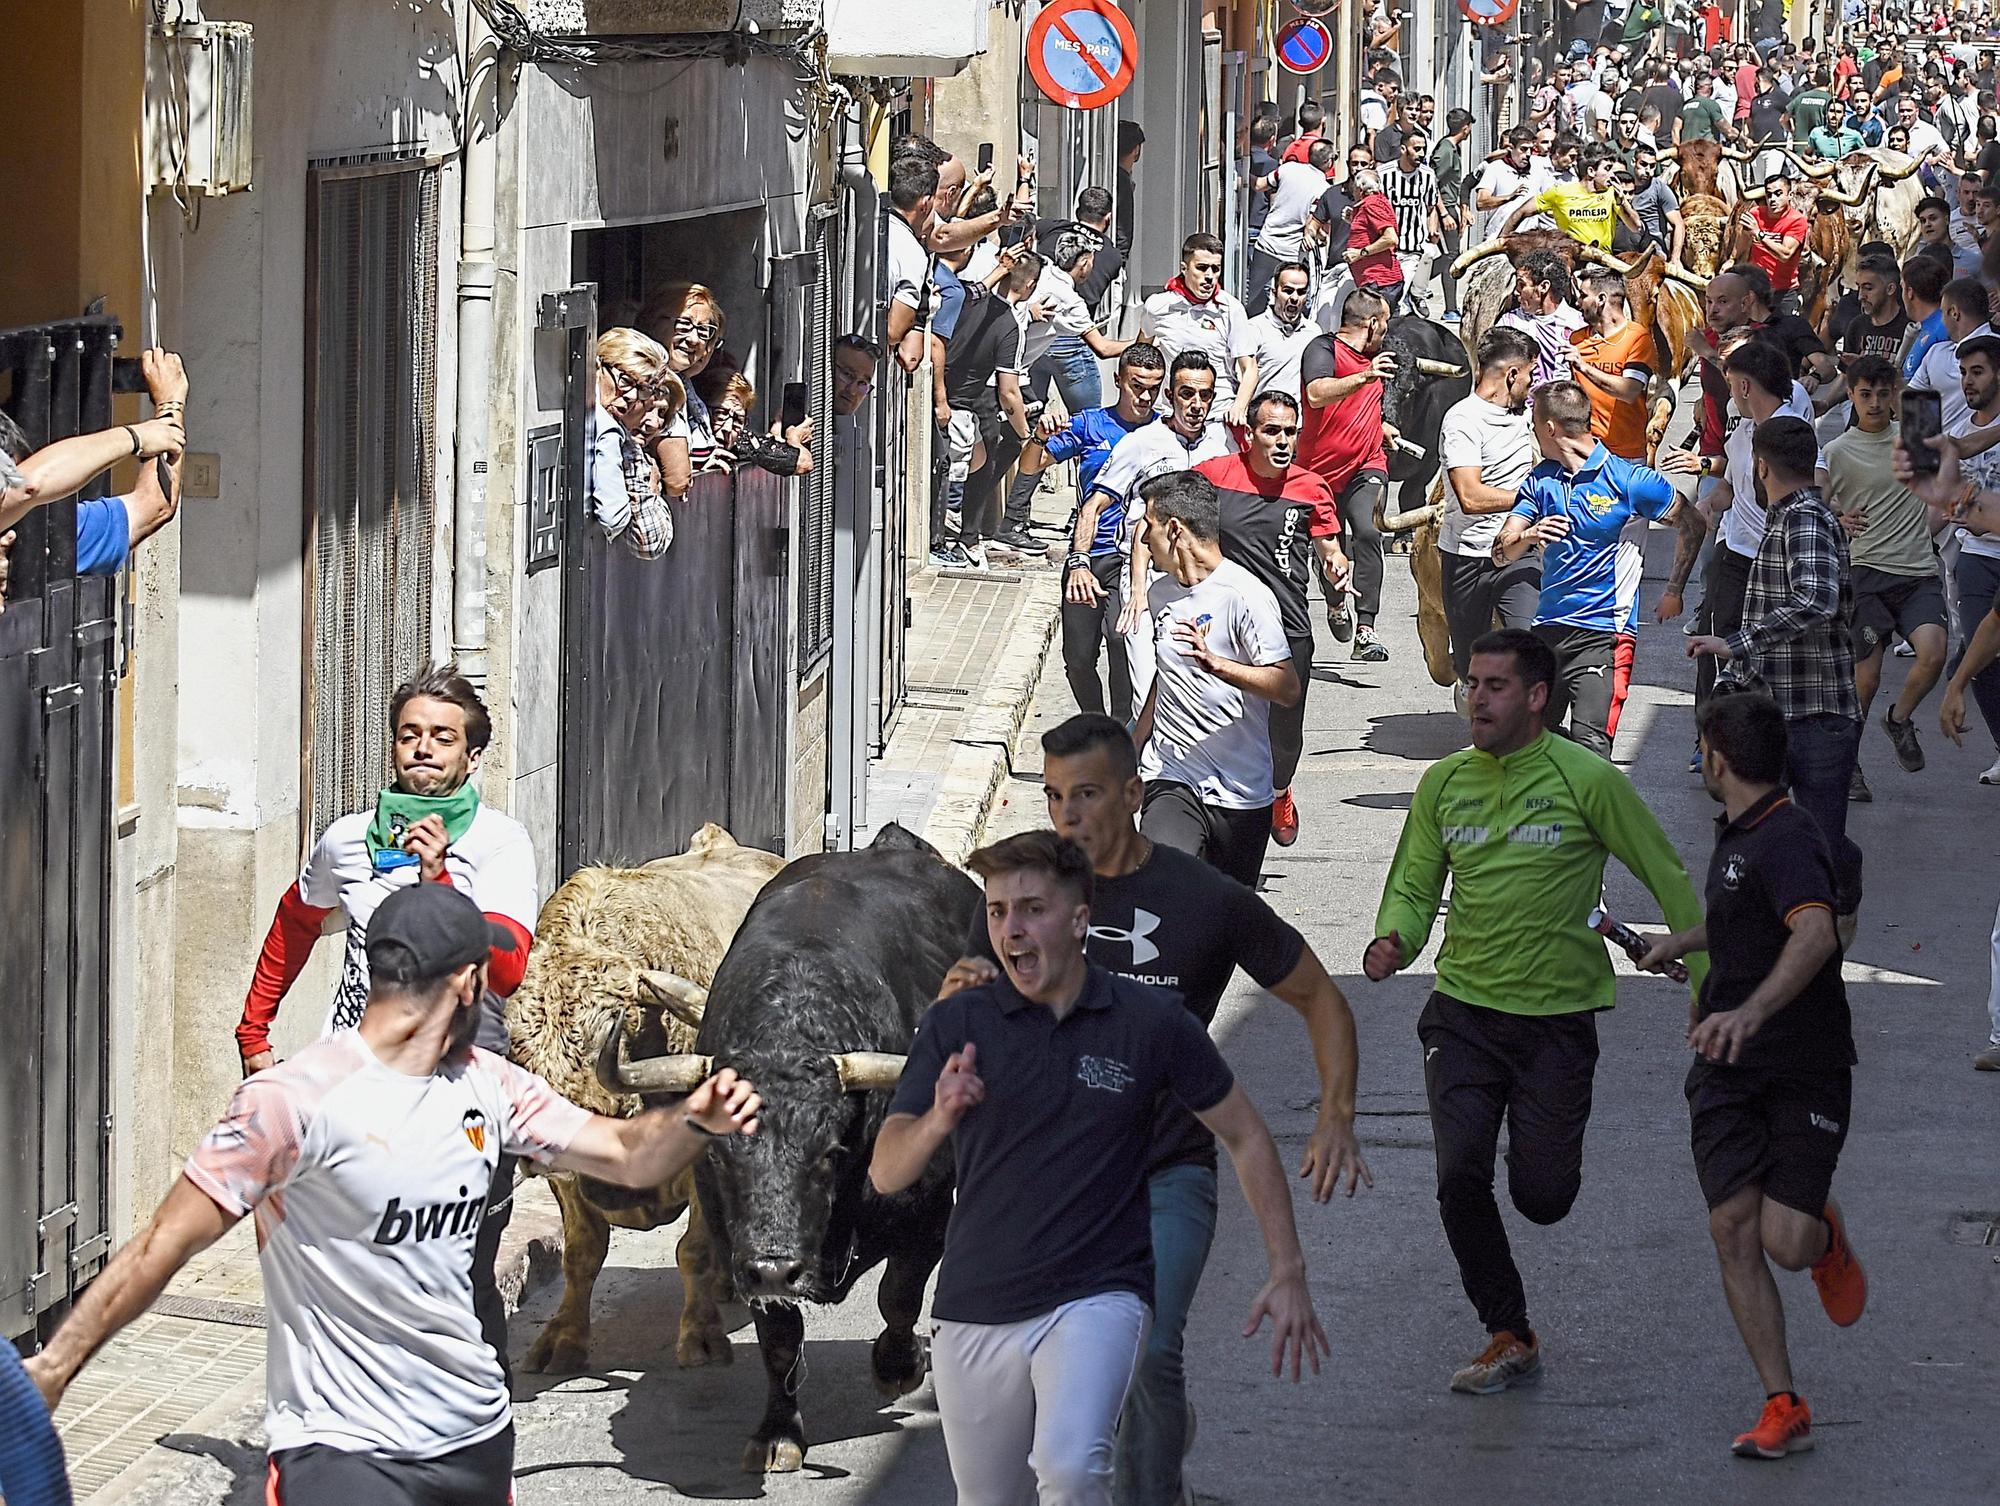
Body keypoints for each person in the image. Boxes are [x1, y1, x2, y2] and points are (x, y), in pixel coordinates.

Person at [27, 881, 763, 1505]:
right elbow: (164, 1244)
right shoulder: (291, 1101)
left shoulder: (489, 1085)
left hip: (472, 1436)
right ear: (467, 982)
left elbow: (627, 1155)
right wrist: (53, 1370)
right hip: (342, 1450)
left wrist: (697, 1118)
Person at [941, 714, 1370, 1505]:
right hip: (1045, 1179)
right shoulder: (1020, 901)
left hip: (1162, 1176)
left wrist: (1336, 1113)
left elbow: (1321, 999)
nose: (1067, 818)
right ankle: (1150, 1440)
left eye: (1088, 796)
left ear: (1135, 795)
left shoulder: (1203, 899)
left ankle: (1154, 1484)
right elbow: (967, 1011)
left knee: (1142, 1352)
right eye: (1054, 797)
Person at [872, 830, 1328, 1506]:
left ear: (1081, 920)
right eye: (997, 912)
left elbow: (1247, 1136)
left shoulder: (1149, 1021)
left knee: (1073, 1470)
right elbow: (886, 1171)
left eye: (1031, 909)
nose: (1011, 930)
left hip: (1098, 1294)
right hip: (976, 1304)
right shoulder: (956, 1022)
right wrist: (939, 1117)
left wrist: (1287, 1271)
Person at [1363, 628, 1708, 1395]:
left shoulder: (1588, 780)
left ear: (1538, 697)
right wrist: (1395, 939)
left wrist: (1704, 987)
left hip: (1557, 1020)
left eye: (1493, 687)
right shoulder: (1444, 784)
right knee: (1458, 1177)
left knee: (1543, 1198)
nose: (1475, 700)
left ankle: (1539, 1166)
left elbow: (1668, 875)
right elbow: (1415, 887)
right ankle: (1508, 1331)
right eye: (1471, 686)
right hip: (1461, 1014)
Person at [233, 664, 537, 1368]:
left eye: (442, 737)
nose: (423, 748)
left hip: (459, 1087)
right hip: (353, 1087)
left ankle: (473, 1444)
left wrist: (437, 881)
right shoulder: (347, 840)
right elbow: (295, 921)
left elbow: (508, 972)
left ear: (472, 756)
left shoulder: (497, 843)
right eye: (410, 735)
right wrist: (254, 1031)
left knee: (456, 1283)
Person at [1637, 689, 1866, 1461]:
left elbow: (1814, 932)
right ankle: (1784, 1402)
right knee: (1732, 1227)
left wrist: (1752, 1011)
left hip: (1803, 1067)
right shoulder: (1737, 834)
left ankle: (1824, 1234)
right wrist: (1684, 943)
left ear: (1716, 758)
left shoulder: (1789, 836)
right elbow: (1748, 919)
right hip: (1726, 1067)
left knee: (1787, 1243)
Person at [1688, 417, 1865, 936]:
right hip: (1773, 711)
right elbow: (1770, 609)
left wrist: (1734, 645)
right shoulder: (1786, 517)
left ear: (1761, 467)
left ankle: (1817, 934)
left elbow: (1816, 599)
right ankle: (1758, 931)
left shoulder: (1804, 520)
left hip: (1818, 718)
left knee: (1820, 844)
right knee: (1748, 827)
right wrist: (1728, 687)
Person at [1494, 382, 1701, 757]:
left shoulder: (1629, 480)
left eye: (1534, 422)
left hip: (1605, 635)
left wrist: (1674, 589)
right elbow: (1500, 553)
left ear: (1551, 427)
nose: (1532, 430)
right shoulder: (1541, 480)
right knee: (1526, 746)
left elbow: (1692, 523)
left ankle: (1589, 815)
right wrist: (1529, 533)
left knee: (1591, 750)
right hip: (1548, 632)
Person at [1130, 469, 1299, 889]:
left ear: (1174, 530)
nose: (1142, 542)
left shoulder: (1246, 596)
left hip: (1241, 791)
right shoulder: (1160, 595)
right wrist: (1131, 746)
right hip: (1172, 775)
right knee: (1160, 887)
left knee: (1220, 934)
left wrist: (1219, 666)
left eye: (1147, 527)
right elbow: (1166, 675)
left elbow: (1287, 687)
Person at [1197, 393, 1352, 848]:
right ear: (1249, 433)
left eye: (1290, 432)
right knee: (1219, 724)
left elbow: (1330, 548)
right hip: (1224, 626)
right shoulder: (1214, 476)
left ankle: (1280, 791)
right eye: (1272, 431)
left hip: (1287, 627)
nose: (1283, 441)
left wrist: (1337, 567)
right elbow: (1172, 524)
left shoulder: (1310, 486)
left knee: (1283, 738)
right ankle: (1215, 814)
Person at [1825, 355, 1950, 798]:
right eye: (1865, 395)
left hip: (1918, 571)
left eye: (1883, 394)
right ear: (1851, 396)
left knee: (1934, 653)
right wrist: (1837, 519)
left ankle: (1898, 719)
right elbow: (1814, 503)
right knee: (1867, 679)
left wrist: (1938, 521)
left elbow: (1940, 489)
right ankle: (1848, 764)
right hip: (1867, 575)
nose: (1875, 403)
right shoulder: (1837, 451)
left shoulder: (1914, 436)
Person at [1050, 345, 1167, 723]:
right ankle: (1096, 720)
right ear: (1118, 381)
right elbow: (1034, 463)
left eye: (1154, 387)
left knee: (1122, 641)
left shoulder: (1165, 432)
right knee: (1079, 657)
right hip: (1088, 554)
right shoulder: (1090, 424)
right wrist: (1037, 436)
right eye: (1137, 385)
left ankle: (1121, 729)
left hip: (1133, 557)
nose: (1145, 396)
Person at [1439, 329, 1543, 688]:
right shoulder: (1463, 421)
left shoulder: (1528, 415)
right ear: (1512, 375)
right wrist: (1533, 495)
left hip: (1520, 550)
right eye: (1530, 374)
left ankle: (1526, 732)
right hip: (1468, 557)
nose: (1532, 384)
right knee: (1473, 663)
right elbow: (1470, 497)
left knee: (1527, 647)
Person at [1299, 287, 1397, 662]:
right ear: (1371, 324)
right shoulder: (1322, 349)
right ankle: (1336, 602)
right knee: (1330, 544)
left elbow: (1362, 406)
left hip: (1366, 465)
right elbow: (1316, 394)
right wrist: (1365, 376)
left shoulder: (1376, 361)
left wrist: (1381, 426)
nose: (1385, 333)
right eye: (1384, 325)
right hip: (1318, 473)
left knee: (1369, 530)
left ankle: (1366, 629)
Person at [1140, 234, 1257, 423]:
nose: (1209, 276)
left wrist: (1239, 408)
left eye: (1215, 269)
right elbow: (1142, 355)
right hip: (1171, 414)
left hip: (1217, 414)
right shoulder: (1157, 306)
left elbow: (1249, 367)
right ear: (1184, 268)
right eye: (1202, 268)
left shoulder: (1231, 309)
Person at [1568, 264, 1659, 462]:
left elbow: (1629, 391)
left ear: (1601, 299)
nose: (1578, 302)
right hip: (1586, 453)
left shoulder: (1637, 338)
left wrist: (1584, 367)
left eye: (1583, 296)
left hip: (1627, 456)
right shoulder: (1576, 340)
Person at [1248, 143, 1335, 318]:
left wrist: (1236, 170)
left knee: (1254, 300)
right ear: (1329, 162)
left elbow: (1258, 185)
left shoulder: (1287, 169)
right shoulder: (1323, 189)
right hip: (1291, 253)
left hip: (1266, 242)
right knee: (1290, 302)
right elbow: (1313, 224)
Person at [1500, 142, 1640, 250]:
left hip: (1602, 264)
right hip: (1570, 263)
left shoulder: (1612, 194)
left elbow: (1636, 227)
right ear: (1591, 171)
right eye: (1607, 169)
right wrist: (1501, 242)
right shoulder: (1559, 193)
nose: (1612, 175)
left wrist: (1622, 201)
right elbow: (1521, 212)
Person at [1498, 250, 1587, 397]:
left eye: (1522, 285)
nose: (1515, 292)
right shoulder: (1509, 324)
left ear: (1544, 287)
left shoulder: (1578, 326)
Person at [1379, 128, 1443, 317]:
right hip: (1388, 246)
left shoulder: (1427, 175)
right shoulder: (1384, 174)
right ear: (1403, 149)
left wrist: (1433, 228)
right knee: (1389, 295)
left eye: (1423, 149)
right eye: (1416, 149)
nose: (1421, 154)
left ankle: (1417, 295)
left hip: (1413, 247)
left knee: (1399, 292)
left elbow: (1431, 207)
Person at [1243, 262, 1319, 405]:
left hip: (1297, 424)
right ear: (1274, 292)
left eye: (1301, 292)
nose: (1295, 298)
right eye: (1288, 291)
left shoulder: (1314, 333)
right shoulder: (1254, 328)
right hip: (1264, 421)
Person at [1743, 171, 1811, 316]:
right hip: (1757, 291)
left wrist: (1759, 234)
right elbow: (1741, 242)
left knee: (1783, 337)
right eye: (1769, 195)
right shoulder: (1755, 214)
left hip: (1783, 292)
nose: (1773, 199)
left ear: (1790, 195)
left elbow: (1785, 254)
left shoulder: (1797, 220)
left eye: (1778, 193)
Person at [1433, 108, 1476, 321]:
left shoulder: (1452, 148)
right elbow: (1432, 181)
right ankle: (1450, 308)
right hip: (1445, 210)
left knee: (1448, 257)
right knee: (1450, 259)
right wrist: (1444, 213)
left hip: (1451, 208)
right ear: (1465, 128)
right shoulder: (1446, 151)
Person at [1626, 146, 1686, 261]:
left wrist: (1675, 259)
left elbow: (1678, 224)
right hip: (1625, 251)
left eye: (1652, 166)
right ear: (1633, 162)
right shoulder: (1624, 184)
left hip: (1653, 253)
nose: (1648, 170)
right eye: (1643, 164)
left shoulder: (1660, 189)